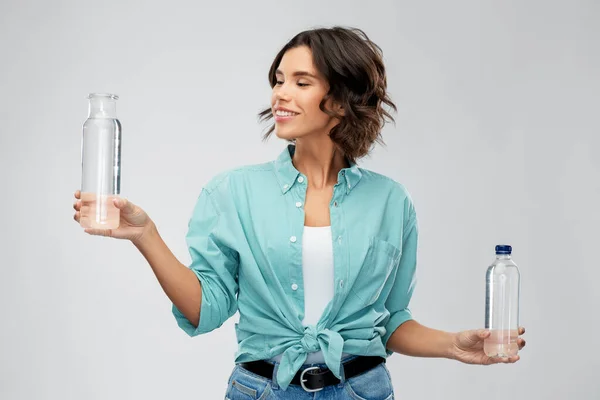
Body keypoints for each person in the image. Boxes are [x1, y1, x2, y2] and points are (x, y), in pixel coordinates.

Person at [73, 26, 526, 399]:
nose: (280, 94)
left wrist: (454, 345)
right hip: (261, 390)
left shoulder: (391, 202)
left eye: (301, 82)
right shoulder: (232, 192)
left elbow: (390, 323)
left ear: (343, 99)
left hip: (363, 390)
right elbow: (205, 310)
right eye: (278, 79)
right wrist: (145, 234)